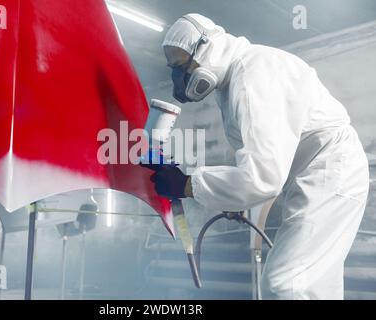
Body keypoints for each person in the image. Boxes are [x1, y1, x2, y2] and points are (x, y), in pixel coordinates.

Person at [149, 13, 369, 299]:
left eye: (181, 66)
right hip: (319, 173)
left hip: (331, 170)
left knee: (287, 284)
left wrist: (187, 185)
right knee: (314, 283)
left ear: (205, 48)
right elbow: (260, 159)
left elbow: (263, 177)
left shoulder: (253, 75)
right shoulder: (234, 80)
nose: (179, 77)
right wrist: (234, 196)